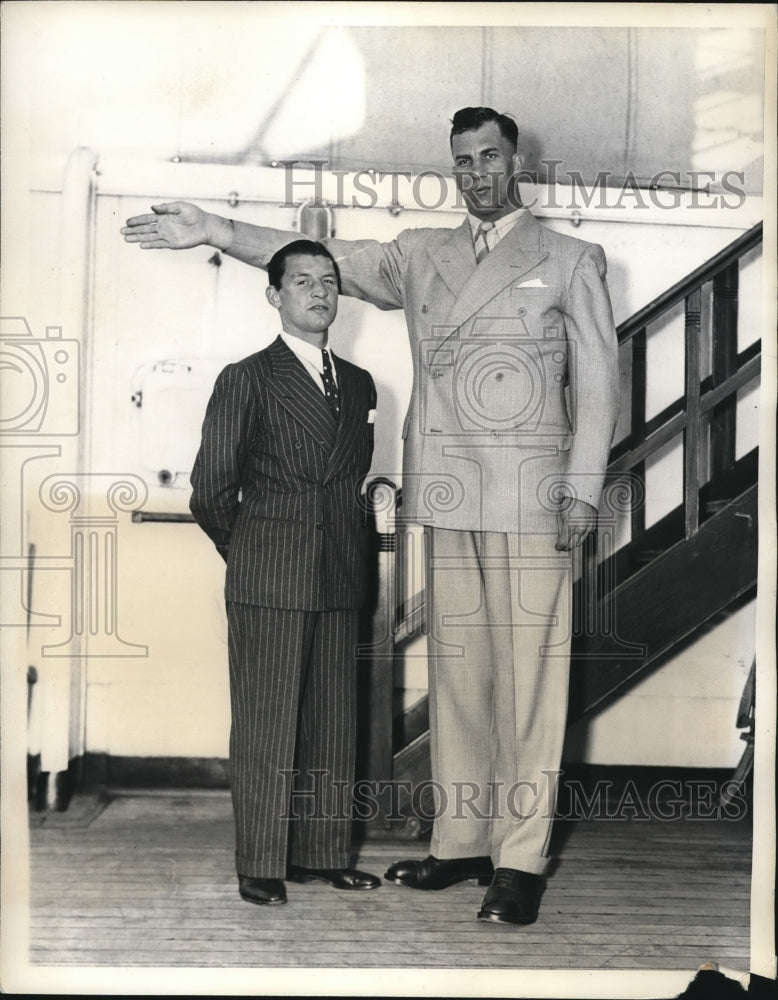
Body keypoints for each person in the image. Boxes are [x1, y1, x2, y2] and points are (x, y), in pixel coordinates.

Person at [123, 106, 620, 924]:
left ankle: (520, 861)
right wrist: (215, 227)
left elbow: (599, 379)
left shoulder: (569, 259)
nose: (476, 173)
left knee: (531, 680)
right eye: (462, 161)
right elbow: (326, 263)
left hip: (532, 497)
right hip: (448, 493)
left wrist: (583, 488)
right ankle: (461, 841)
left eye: (489, 156)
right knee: (459, 676)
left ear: (516, 161)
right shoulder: (421, 254)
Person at [189, 239, 380, 905]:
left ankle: (322, 856)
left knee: (334, 722)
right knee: (267, 724)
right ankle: (262, 863)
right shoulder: (246, 378)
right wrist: (250, 553)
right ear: (274, 295)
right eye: (302, 281)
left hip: (339, 573)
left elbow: (348, 482)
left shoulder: (359, 383)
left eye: (329, 280)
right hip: (269, 574)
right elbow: (210, 491)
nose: (319, 291)